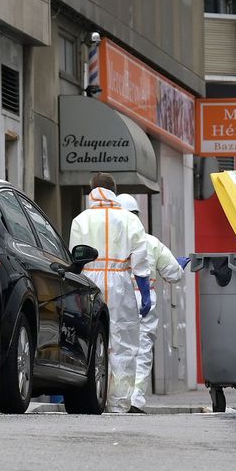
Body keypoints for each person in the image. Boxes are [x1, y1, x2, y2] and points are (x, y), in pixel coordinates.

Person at [68, 173, 151, 414]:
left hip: (90, 282)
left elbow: (76, 257)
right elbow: (140, 258)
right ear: (114, 190)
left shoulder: (81, 219)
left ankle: (93, 396)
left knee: (92, 339)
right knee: (123, 344)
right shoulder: (129, 220)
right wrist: (144, 293)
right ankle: (119, 403)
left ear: (91, 190)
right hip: (120, 283)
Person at [116, 194, 191, 413]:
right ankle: (135, 400)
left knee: (116, 349)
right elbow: (173, 274)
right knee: (142, 351)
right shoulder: (150, 242)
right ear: (137, 215)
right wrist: (179, 265)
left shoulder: (110, 243)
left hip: (117, 300)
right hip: (143, 301)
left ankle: (115, 397)